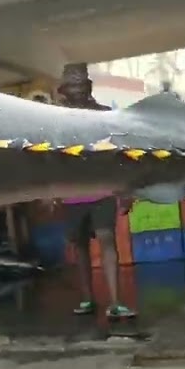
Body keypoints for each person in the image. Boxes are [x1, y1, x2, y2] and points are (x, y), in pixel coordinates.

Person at [53, 63, 135, 320]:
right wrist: (50, 190)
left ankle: (115, 301)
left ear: (89, 87)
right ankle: (88, 298)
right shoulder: (54, 120)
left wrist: (126, 189)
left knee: (107, 239)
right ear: (64, 91)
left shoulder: (106, 115)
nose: (77, 91)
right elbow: (50, 157)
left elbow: (120, 154)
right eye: (72, 86)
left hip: (103, 190)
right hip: (72, 193)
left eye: (81, 85)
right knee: (79, 247)